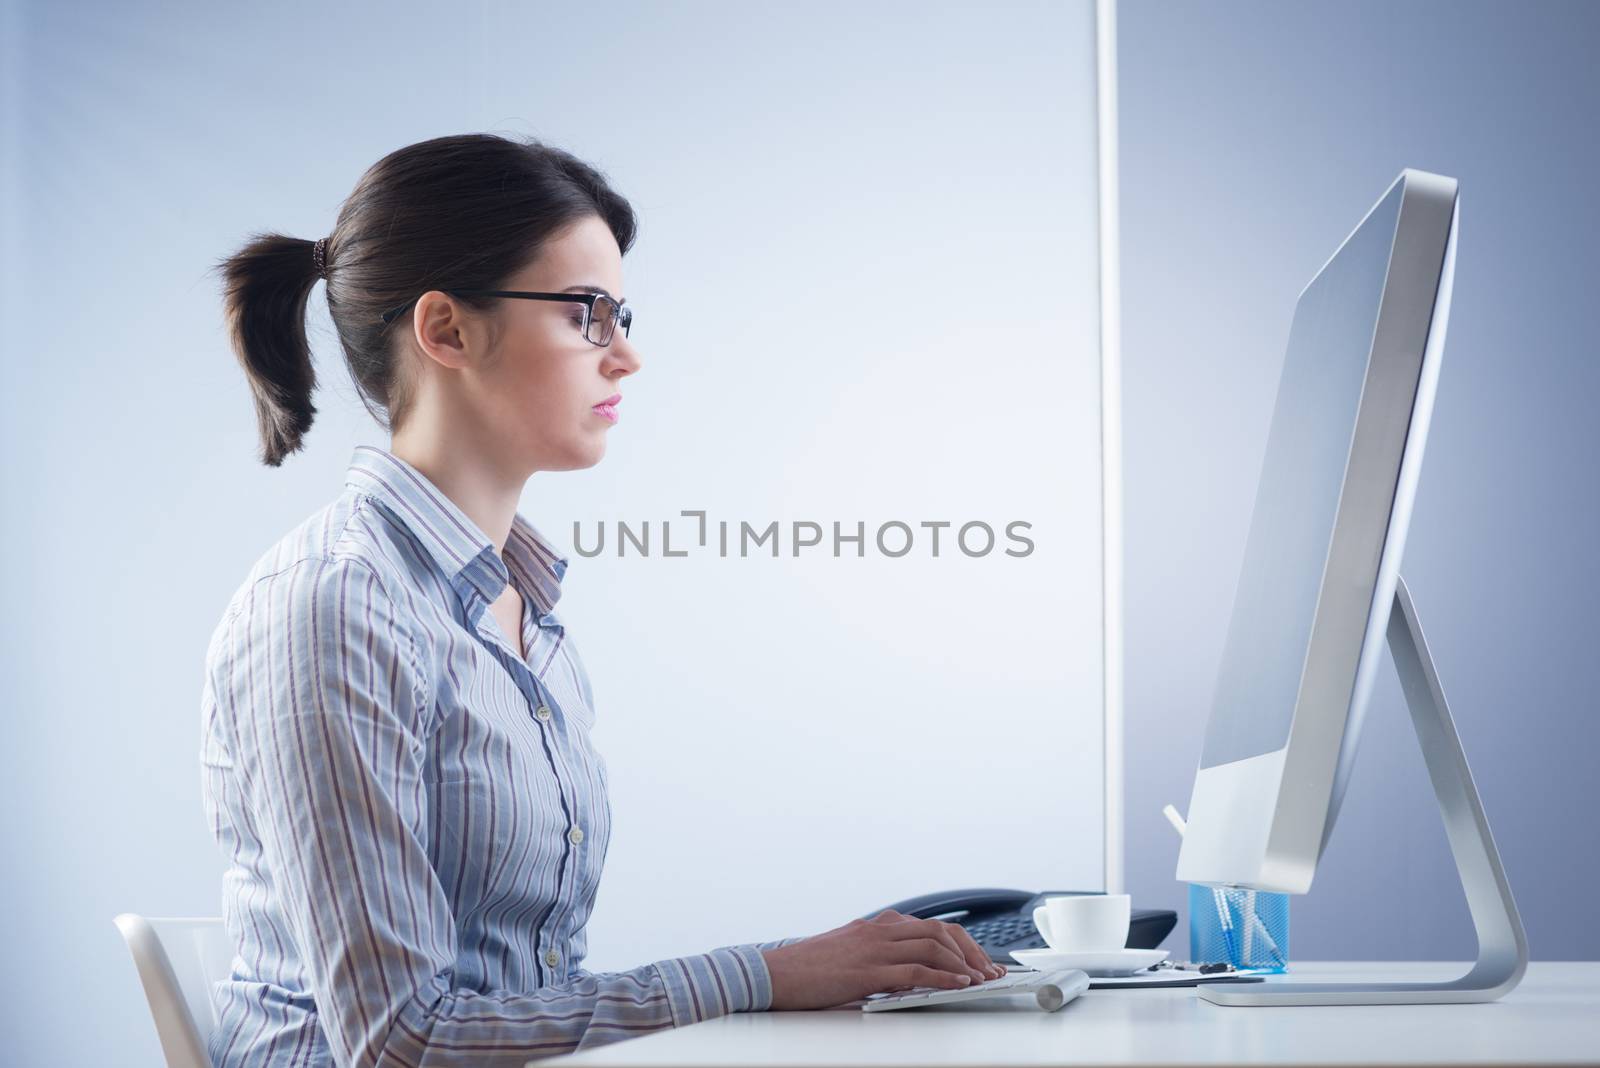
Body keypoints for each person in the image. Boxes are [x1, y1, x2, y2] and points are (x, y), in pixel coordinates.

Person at [202, 132, 1005, 1068]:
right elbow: (400, 1043)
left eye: (622, 314)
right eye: (589, 312)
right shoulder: (331, 610)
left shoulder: (525, 612)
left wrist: (800, 978)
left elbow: (526, 998)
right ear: (447, 330)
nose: (625, 356)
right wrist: (764, 975)